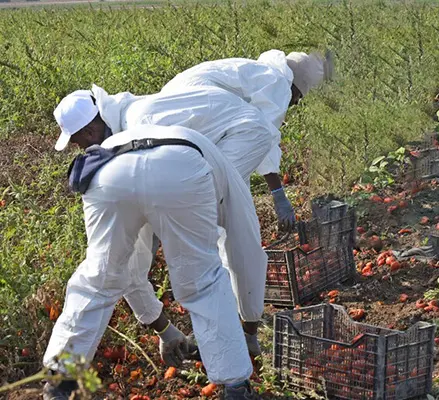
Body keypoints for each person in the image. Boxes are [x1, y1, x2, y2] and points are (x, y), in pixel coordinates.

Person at [43, 117, 262, 399]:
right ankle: (235, 389)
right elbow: (246, 252)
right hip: (178, 168)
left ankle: (60, 380)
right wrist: (250, 326)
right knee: (203, 281)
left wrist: (162, 327)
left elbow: (128, 271)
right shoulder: (222, 175)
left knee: (99, 278)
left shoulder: (118, 143)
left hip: (109, 173)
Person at [161, 49, 335, 231]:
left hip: (172, 105)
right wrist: (278, 196)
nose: (296, 103)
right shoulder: (277, 84)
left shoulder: (257, 72)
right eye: (299, 96)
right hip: (200, 106)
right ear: (295, 86)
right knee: (224, 189)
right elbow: (263, 139)